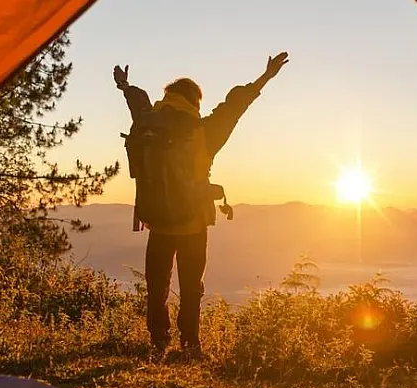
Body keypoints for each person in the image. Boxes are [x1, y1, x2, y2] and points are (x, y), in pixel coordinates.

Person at [114, 52, 289, 357]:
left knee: (157, 286)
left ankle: (158, 342)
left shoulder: (148, 122)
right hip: (192, 223)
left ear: (168, 96)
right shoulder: (205, 131)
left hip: (156, 220)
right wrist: (266, 77)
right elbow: (236, 105)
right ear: (195, 100)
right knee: (191, 287)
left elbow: (137, 101)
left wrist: (124, 85)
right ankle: (190, 344)